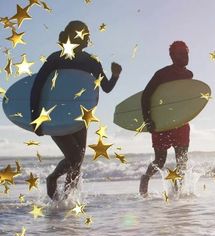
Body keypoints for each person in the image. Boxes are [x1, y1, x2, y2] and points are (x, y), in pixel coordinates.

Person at [30, 21, 122, 200]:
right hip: (54, 114)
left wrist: (115, 75)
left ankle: (66, 202)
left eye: (87, 35)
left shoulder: (91, 62)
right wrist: (36, 118)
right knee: (74, 158)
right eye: (83, 34)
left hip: (79, 116)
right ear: (72, 36)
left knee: (77, 162)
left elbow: (106, 87)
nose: (86, 38)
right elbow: (37, 87)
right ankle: (53, 178)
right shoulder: (55, 58)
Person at [139, 41, 193, 196]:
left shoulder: (189, 75)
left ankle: (177, 194)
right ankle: (145, 179)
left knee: (182, 161)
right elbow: (146, 96)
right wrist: (147, 119)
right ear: (172, 56)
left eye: (186, 53)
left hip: (181, 122)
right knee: (160, 160)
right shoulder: (162, 74)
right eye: (181, 53)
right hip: (162, 122)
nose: (185, 56)